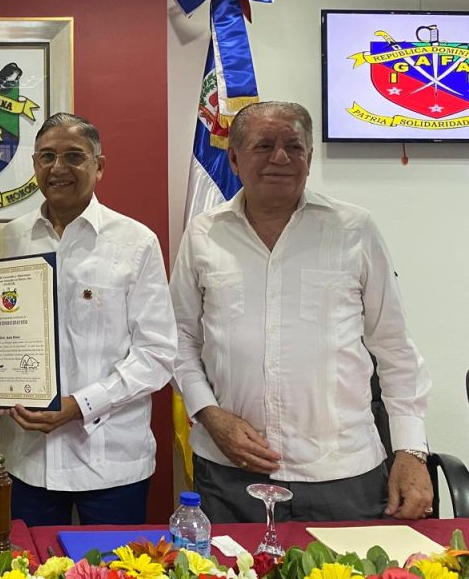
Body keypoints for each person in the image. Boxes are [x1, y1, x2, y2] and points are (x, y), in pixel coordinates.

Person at [171, 100, 432, 522]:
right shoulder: (203, 235)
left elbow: (394, 347)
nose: (280, 157)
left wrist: (411, 451)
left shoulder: (353, 229)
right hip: (230, 472)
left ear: (309, 159)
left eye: (294, 146)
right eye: (264, 145)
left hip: (341, 474)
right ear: (234, 159)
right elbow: (179, 338)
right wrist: (209, 413)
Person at [0, 112, 177, 526]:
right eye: (46, 157)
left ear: (99, 166)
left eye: (74, 156)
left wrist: (80, 405)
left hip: (112, 462)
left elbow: (157, 355)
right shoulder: (10, 238)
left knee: (116, 570)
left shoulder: (136, 242)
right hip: (28, 459)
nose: (58, 168)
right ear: (35, 165)